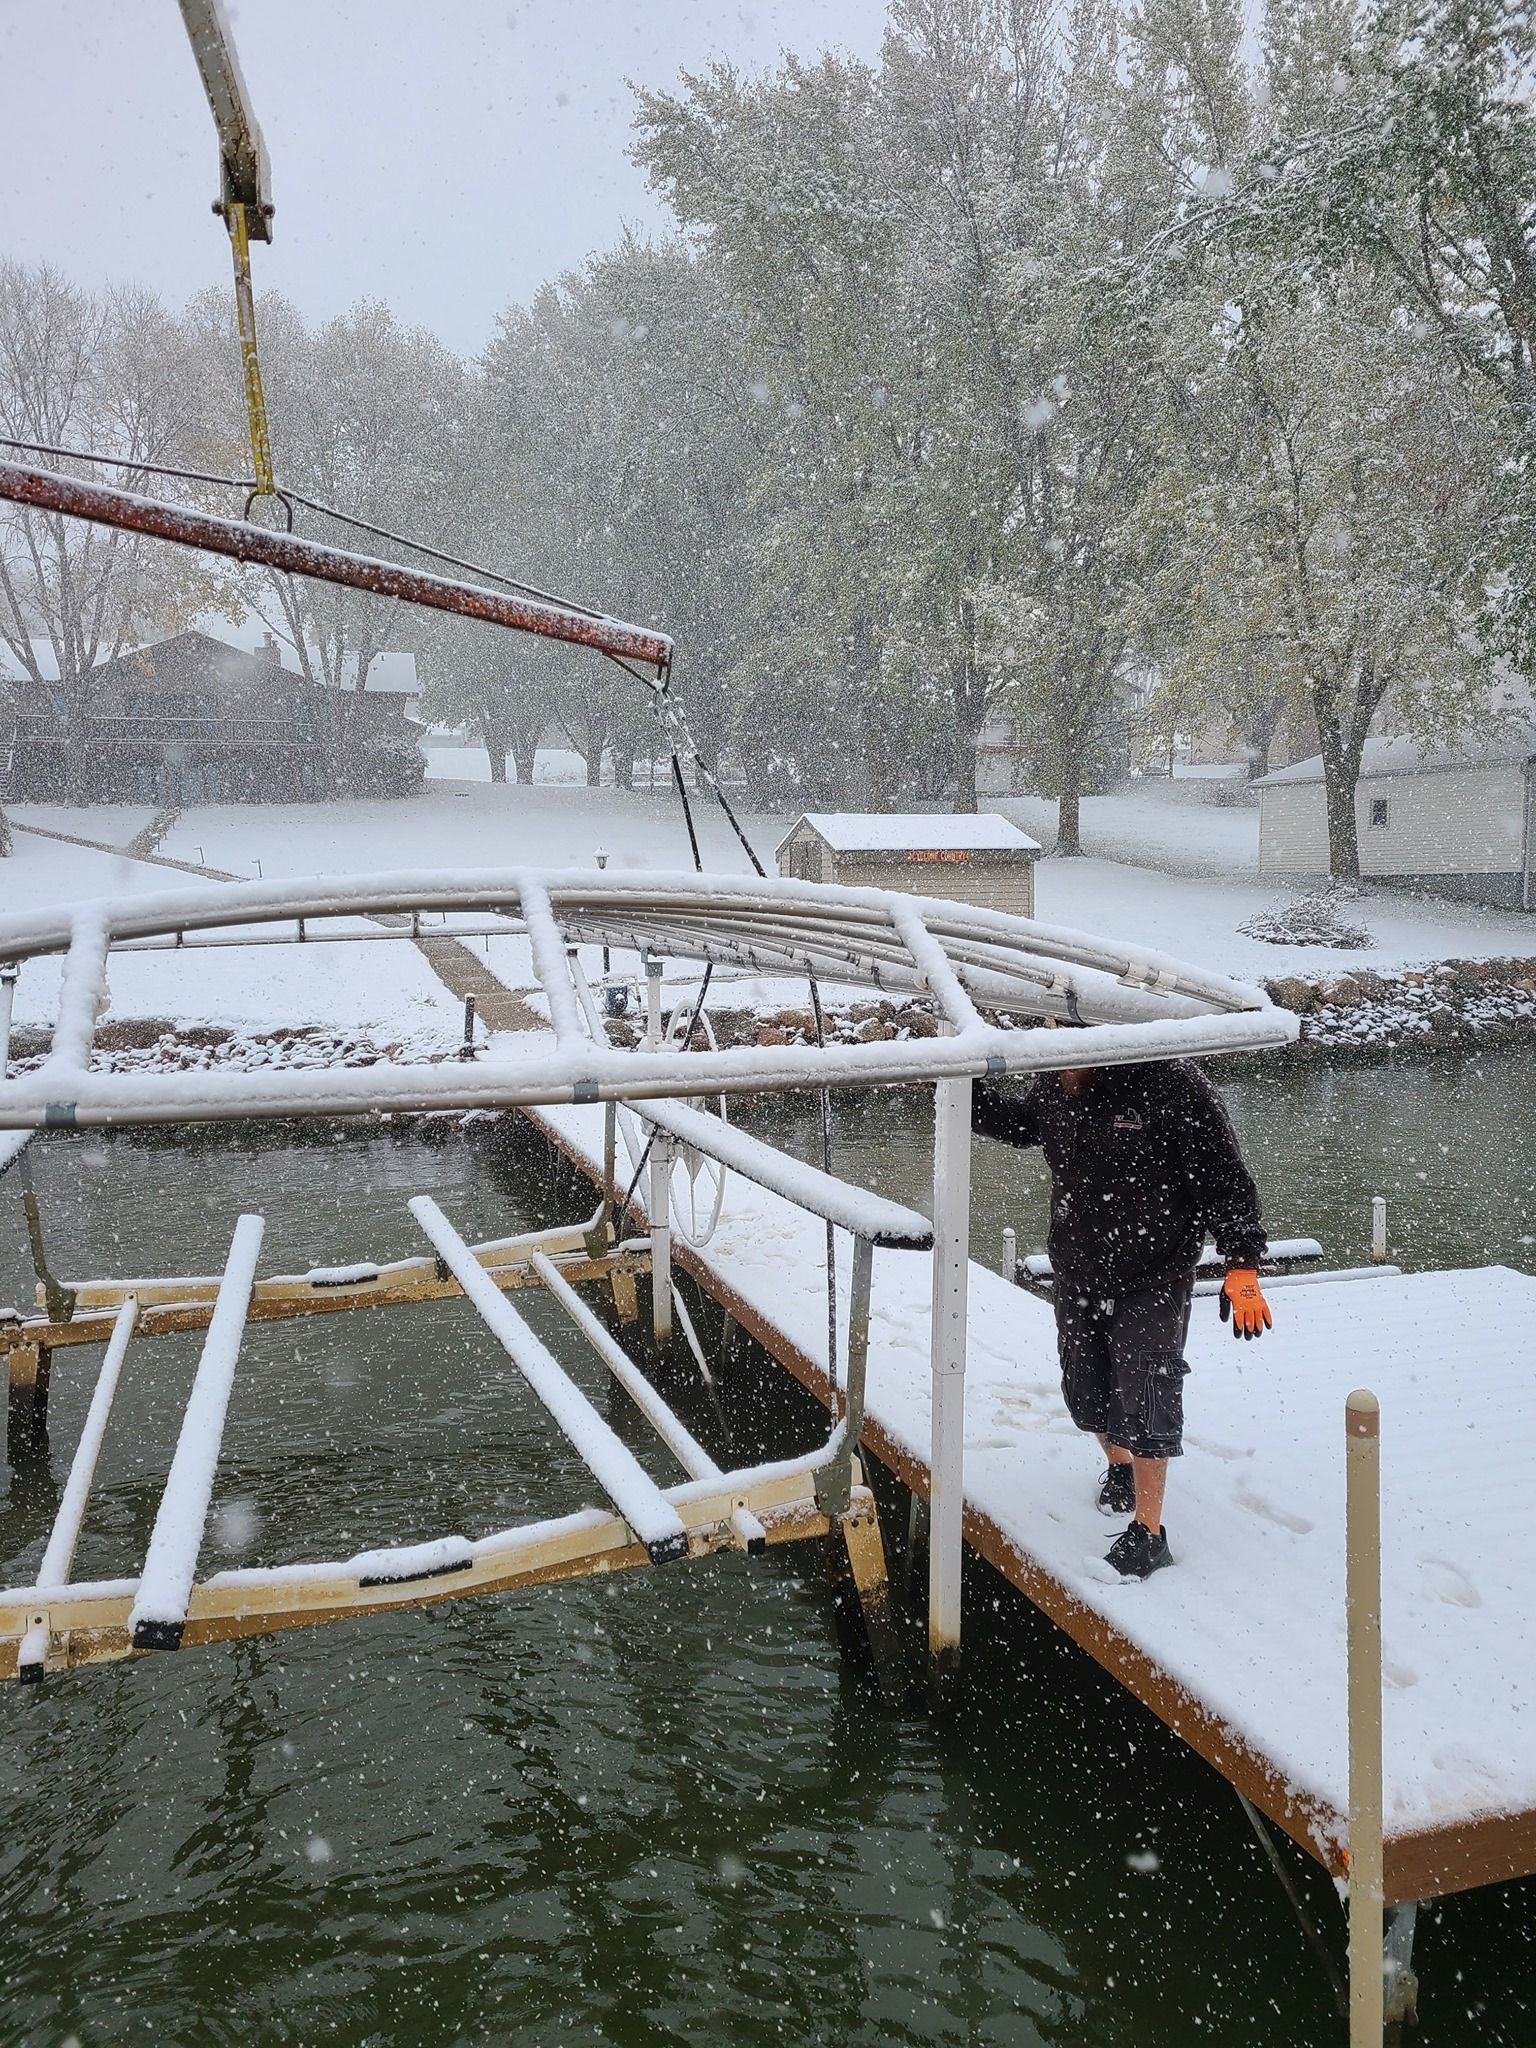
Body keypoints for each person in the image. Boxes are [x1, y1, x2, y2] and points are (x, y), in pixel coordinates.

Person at [973, 1058, 1272, 1579]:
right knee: (1087, 1392)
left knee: (1149, 1386)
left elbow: (1223, 1177)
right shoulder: (1054, 1072)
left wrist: (1242, 1263)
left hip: (1155, 1267)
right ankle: (1120, 1467)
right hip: (1078, 1260)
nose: (1066, 1067)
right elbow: (1022, 1125)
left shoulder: (1170, 1082)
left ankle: (1150, 1532)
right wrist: (964, 1086)